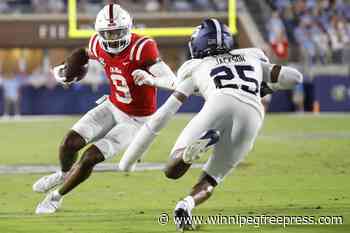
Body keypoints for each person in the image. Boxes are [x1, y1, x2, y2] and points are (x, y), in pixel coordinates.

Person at [119, 18, 303, 231]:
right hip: (253, 114)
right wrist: (265, 87)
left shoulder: (196, 65)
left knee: (172, 169)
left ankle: (188, 154)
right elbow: (295, 78)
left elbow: (177, 86)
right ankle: (186, 205)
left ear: (199, 43)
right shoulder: (251, 57)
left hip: (219, 102)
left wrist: (152, 81)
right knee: (213, 177)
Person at [33, 3, 176, 214]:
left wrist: (150, 79)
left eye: (117, 32)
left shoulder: (142, 46)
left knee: (90, 157)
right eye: (107, 34)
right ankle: (63, 173)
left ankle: (56, 197)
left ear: (128, 28)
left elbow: (172, 81)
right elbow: (84, 54)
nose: (112, 39)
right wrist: (67, 68)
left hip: (137, 120)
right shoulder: (98, 44)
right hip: (112, 105)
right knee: (68, 143)